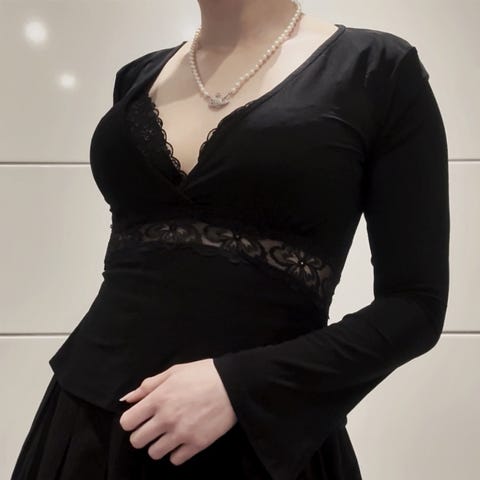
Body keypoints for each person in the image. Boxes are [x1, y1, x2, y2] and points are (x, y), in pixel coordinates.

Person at [10, 0, 450, 479]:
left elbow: (414, 307)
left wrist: (241, 386)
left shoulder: (376, 70)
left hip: (254, 438)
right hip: (89, 425)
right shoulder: (137, 77)